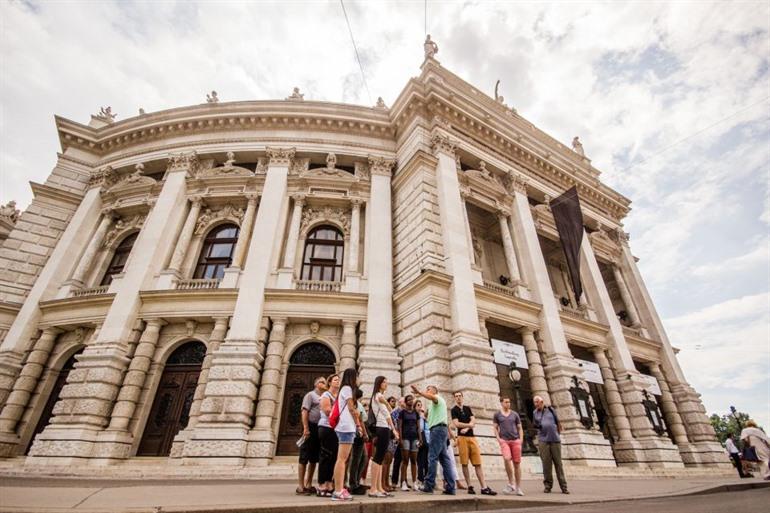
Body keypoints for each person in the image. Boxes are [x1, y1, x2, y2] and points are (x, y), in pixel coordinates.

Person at [411, 383, 455, 495]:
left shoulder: (438, 399)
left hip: (437, 430)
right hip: (440, 430)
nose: (427, 391)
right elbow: (426, 416)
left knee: (432, 457)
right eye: (426, 390)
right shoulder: (432, 405)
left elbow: (431, 397)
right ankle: (450, 487)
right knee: (444, 459)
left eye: (429, 390)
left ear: (435, 392)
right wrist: (423, 412)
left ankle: (429, 485)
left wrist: (420, 392)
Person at [451, 391, 496, 495]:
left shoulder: (467, 408)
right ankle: (469, 486)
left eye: (459, 396)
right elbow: (456, 423)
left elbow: (473, 420)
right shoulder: (454, 410)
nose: (458, 398)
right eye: (456, 396)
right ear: (454, 398)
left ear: (462, 397)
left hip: (472, 437)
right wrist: (470, 425)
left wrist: (467, 427)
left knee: (477, 463)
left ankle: (484, 487)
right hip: (461, 438)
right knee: (464, 463)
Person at [331, 368, 364, 501]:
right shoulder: (347, 388)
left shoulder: (345, 389)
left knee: (342, 459)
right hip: (346, 426)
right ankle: (338, 491)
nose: (358, 379)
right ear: (352, 377)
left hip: (345, 426)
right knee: (342, 459)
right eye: (357, 376)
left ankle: (339, 489)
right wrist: (358, 424)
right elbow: (352, 408)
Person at [368, 376, 400, 498]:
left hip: (384, 428)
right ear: (379, 384)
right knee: (378, 458)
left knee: (380, 458)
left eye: (387, 381)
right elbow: (388, 414)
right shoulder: (378, 396)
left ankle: (379, 488)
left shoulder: (379, 396)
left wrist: (386, 402)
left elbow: (390, 410)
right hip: (382, 427)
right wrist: (394, 430)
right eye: (384, 382)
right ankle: (373, 489)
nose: (386, 384)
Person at [533, 395, 568, 494]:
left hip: (554, 439)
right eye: (534, 402)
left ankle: (564, 486)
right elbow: (535, 424)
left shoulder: (551, 410)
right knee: (546, 464)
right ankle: (548, 486)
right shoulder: (535, 412)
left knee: (558, 464)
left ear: (542, 402)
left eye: (537, 402)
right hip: (543, 440)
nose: (535, 404)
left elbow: (557, 422)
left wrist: (557, 434)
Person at [297, 376, 326, 494]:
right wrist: (305, 428)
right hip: (309, 427)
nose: (324, 383)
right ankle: (300, 486)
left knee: (314, 459)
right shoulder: (310, 395)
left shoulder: (325, 397)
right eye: (322, 382)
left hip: (319, 429)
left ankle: (308, 484)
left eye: (325, 382)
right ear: (316, 384)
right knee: (304, 457)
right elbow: (304, 411)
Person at [493, 397, 525, 495]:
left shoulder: (515, 414)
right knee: (507, 458)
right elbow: (495, 427)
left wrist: (521, 440)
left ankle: (518, 487)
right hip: (504, 441)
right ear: (502, 403)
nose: (508, 403)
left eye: (509, 402)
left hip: (515, 441)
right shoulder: (497, 414)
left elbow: (520, 428)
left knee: (517, 463)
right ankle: (511, 483)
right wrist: (499, 439)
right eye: (506, 402)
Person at [317, 373, 340, 497]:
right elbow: (327, 411)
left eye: (339, 380)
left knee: (333, 457)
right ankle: (321, 485)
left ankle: (329, 482)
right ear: (330, 382)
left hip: (336, 429)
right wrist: (341, 415)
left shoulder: (338, 396)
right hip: (326, 427)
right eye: (335, 380)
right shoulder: (326, 395)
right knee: (325, 456)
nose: (338, 382)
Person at [346, 389, 370, 493]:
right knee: (356, 459)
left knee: (363, 458)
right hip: (357, 433)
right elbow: (359, 420)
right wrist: (364, 433)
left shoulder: (358, 404)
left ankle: (356, 480)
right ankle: (353, 484)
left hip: (359, 433)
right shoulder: (353, 404)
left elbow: (361, 419)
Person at [399, 394, 421, 491]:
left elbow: (418, 426)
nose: (411, 401)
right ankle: (403, 482)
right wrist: (400, 438)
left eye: (412, 399)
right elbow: (399, 426)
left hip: (415, 438)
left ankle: (415, 482)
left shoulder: (416, 413)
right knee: (405, 461)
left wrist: (420, 438)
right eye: (408, 400)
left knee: (414, 461)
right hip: (405, 438)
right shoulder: (402, 412)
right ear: (405, 402)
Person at [382, 396, 400, 492]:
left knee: (389, 461)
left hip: (393, 438)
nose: (394, 403)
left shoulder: (395, 413)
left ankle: (387, 483)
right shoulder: (387, 411)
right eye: (392, 401)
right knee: (386, 460)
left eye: (395, 401)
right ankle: (383, 483)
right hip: (388, 436)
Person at [415, 400, 429, 486]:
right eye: (418, 405)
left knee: (425, 460)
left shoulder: (423, 418)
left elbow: (427, 428)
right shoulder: (415, 416)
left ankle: (426, 479)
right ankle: (420, 478)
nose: (420, 407)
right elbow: (418, 428)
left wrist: (424, 417)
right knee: (419, 460)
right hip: (417, 437)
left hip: (425, 438)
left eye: (420, 405)